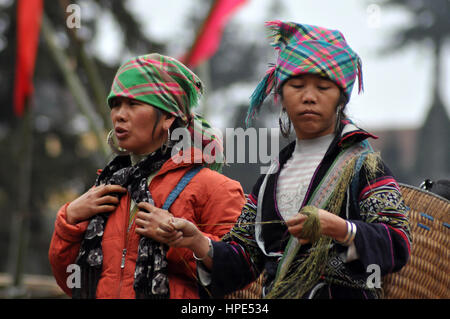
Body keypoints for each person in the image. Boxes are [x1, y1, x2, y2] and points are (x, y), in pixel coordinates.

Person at [158, 21, 412, 299]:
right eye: (298, 85)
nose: (309, 97)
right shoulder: (270, 178)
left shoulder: (365, 167)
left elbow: (398, 243)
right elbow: (244, 258)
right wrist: (198, 242)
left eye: (323, 88)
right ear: (281, 96)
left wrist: (340, 229)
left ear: (341, 99)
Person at [48, 53, 245, 299]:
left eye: (133, 104)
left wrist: (187, 241)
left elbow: (242, 274)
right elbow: (71, 281)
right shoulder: (106, 189)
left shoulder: (214, 188)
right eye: (116, 104)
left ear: (168, 117)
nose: (120, 114)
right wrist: (69, 219)